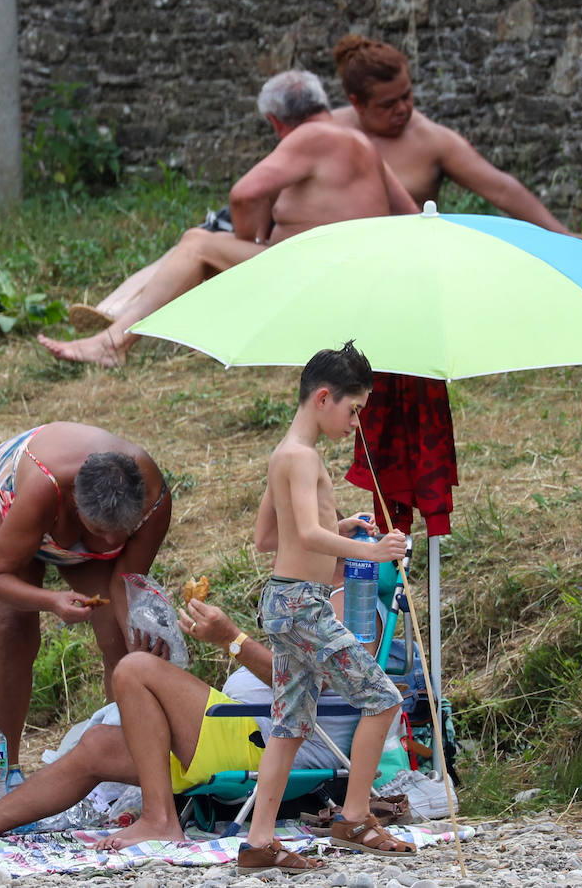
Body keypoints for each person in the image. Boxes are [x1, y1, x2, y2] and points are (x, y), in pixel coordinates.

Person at [38, 70, 416, 366]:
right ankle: (126, 321)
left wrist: (250, 241)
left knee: (198, 242)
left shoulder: (308, 136)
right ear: (323, 103)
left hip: (320, 280)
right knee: (207, 246)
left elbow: (243, 193)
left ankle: (113, 342)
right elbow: (413, 215)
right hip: (356, 285)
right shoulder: (361, 144)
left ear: (275, 121)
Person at [0, 596, 357, 843]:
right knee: (98, 743)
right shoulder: (312, 596)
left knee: (134, 668)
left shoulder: (345, 600)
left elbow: (313, 682)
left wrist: (231, 638)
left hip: (272, 745)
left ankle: (159, 820)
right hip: (237, 732)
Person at [240, 343, 415, 873]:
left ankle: (259, 842)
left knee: (290, 722)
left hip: (287, 601)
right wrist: (372, 550)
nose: (356, 424)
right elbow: (308, 538)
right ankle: (355, 816)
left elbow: (267, 537)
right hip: (303, 605)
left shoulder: (284, 453)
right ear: (323, 398)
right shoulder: (302, 457)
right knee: (382, 697)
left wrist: (338, 527)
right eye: (354, 409)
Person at [0, 421, 171, 776]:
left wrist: (137, 640)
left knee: (118, 636)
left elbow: (125, 586)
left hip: (67, 518)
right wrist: (51, 600)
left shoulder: (153, 502)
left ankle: (125, 762)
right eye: (99, 532)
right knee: (13, 627)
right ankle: (3, 769)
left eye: (121, 534)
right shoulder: (43, 488)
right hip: (10, 500)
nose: (111, 544)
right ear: (76, 504)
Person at [330, 32, 582, 244]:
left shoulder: (431, 140)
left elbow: (501, 188)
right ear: (357, 103)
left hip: (408, 264)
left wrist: (563, 235)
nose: (403, 109)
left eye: (407, 96)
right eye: (388, 104)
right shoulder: (327, 133)